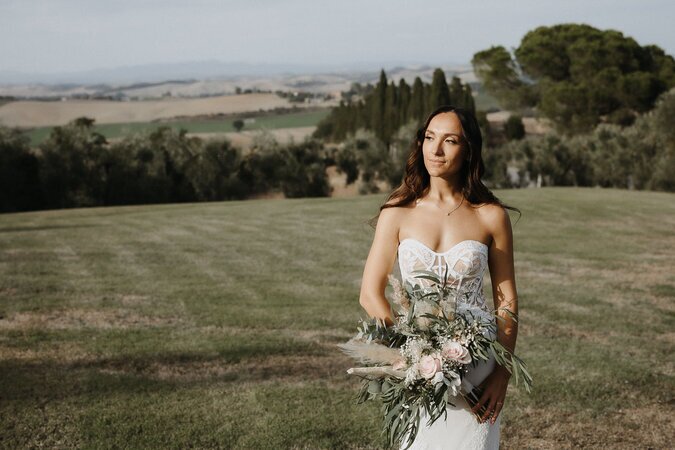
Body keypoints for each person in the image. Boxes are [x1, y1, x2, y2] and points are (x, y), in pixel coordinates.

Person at [358, 105, 521, 449]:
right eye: (429, 138)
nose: (436, 150)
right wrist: (408, 358)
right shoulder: (397, 211)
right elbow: (370, 294)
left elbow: (506, 300)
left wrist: (501, 376)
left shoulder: (491, 216)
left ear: (469, 150)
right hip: (417, 371)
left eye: (450, 141)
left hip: (479, 367)